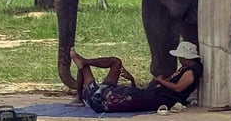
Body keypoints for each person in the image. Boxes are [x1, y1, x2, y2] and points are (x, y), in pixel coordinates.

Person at [70, 41, 203, 113]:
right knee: (116, 61)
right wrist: (132, 80)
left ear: (186, 58)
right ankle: (85, 62)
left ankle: (79, 97)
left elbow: (178, 88)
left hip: (100, 96)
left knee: (83, 69)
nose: (179, 59)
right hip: (111, 91)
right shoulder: (185, 68)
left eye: (180, 57)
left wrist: (161, 80)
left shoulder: (191, 71)